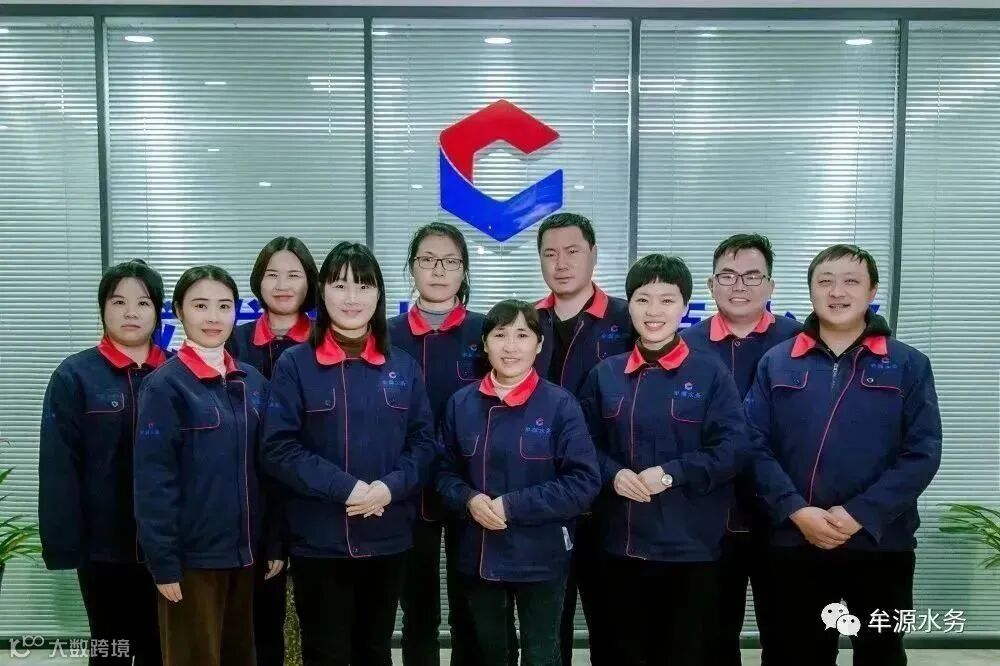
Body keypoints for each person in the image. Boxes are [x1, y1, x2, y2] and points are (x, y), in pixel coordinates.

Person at [746, 244, 942, 666]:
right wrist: (796, 510)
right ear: (811, 291)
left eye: (851, 281)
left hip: (880, 544)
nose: (837, 292)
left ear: (872, 291)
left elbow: (922, 453)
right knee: (792, 655)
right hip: (794, 541)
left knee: (881, 654)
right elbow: (753, 445)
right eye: (825, 281)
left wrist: (860, 514)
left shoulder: (908, 364)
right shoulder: (776, 362)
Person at [261, 241, 436, 666]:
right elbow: (278, 447)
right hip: (319, 540)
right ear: (322, 291)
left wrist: (389, 488)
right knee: (327, 653)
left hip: (388, 535)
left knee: (375, 650)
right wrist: (348, 489)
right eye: (340, 285)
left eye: (364, 285)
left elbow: (425, 444)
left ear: (378, 294)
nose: (352, 297)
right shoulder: (295, 365)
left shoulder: (403, 366)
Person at [579, 254, 745, 666]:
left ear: (685, 306)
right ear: (629, 305)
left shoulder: (710, 373)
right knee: (619, 652)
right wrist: (613, 474)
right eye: (643, 299)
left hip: (689, 548)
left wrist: (671, 474)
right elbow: (581, 446)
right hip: (618, 545)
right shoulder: (605, 374)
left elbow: (732, 449)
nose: (654, 311)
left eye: (667, 300)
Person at [437, 299, 600, 666]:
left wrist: (511, 506)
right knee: (491, 653)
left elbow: (583, 482)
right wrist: (468, 500)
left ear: (539, 345)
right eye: (500, 335)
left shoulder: (561, 405)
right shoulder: (460, 404)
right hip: (479, 552)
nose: (510, 346)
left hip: (541, 554)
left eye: (522, 335)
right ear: (484, 343)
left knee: (542, 654)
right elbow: (442, 473)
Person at [134, 265, 280, 666]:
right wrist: (164, 563)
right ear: (179, 311)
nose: (213, 317)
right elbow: (153, 481)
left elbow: (269, 471)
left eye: (224, 306)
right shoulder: (165, 386)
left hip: (246, 556)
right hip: (192, 562)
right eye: (200, 306)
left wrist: (273, 542)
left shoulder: (253, 382)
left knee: (240, 656)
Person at [39, 259, 169, 666]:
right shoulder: (75, 376)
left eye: (143, 303)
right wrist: (65, 545)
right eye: (118, 301)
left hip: (169, 545)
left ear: (158, 311)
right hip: (103, 548)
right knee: (110, 647)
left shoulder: (178, 373)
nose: (131, 312)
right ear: (102, 308)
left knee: (162, 649)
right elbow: (59, 466)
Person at [681, 233, 801, 665]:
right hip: (707, 518)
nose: (739, 286)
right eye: (728, 276)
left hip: (785, 516)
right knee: (710, 639)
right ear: (711, 285)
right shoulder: (686, 346)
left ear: (771, 286)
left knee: (789, 636)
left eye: (752, 276)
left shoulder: (799, 341)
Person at [532, 212, 632, 666]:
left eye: (573, 251)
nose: (561, 263)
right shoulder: (527, 323)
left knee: (612, 625)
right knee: (547, 628)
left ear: (593, 255)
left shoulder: (627, 319)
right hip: (544, 498)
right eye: (550, 253)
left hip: (610, 499)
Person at [387, 222, 489, 666]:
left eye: (450, 261)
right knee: (418, 608)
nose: (439, 270)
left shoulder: (486, 331)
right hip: (405, 489)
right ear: (412, 268)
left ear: (464, 270)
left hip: (472, 486)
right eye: (427, 259)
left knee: (472, 606)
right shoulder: (385, 334)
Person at [227, 236, 317, 666]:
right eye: (272, 274)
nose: (282, 285)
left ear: (310, 282)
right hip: (249, 500)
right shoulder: (232, 341)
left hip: (313, 496)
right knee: (257, 623)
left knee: (317, 626)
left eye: (294, 275)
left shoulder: (327, 341)